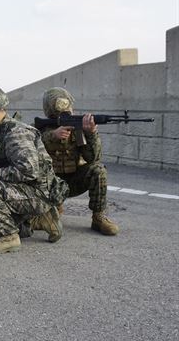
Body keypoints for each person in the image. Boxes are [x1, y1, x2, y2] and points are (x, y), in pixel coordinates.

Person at [0, 85, 68, 254]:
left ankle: (9, 237)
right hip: (29, 191)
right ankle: (42, 219)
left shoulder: (16, 134)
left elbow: (29, 171)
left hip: (38, 194)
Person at [39, 87, 119, 235]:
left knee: (98, 169)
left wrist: (91, 134)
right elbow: (29, 153)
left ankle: (98, 217)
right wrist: (52, 136)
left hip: (74, 181)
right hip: (50, 185)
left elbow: (93, 158)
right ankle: (53, 206)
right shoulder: (39, 129)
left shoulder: (78, 129)